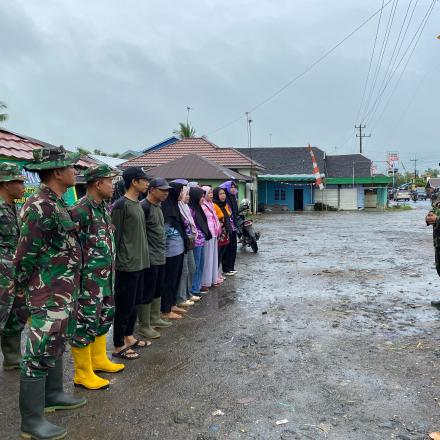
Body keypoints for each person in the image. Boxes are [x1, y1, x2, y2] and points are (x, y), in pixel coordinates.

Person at [14, 146, 87, 440]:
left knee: (55, 344)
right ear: (57, 172)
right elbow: (23, 257)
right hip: (47, 293)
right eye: (71, 167)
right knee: (37, 353)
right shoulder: (38, 206)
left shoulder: (56, 202)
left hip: (63, 290)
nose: (76, 172)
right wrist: (26, 293)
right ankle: (31, 422)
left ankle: (53, 395)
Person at [69, 165, 124, 390]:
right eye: (110, 182)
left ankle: (98, 360)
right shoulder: (80, 210)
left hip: (105, 278)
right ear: (98, 184)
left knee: (104, 317)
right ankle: (82, 373)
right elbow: (71, 249)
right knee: (84, 323)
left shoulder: (102, 207)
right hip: (87, 281)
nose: (113, 186)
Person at [111, 167, 150, 360]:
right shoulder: (121, 205)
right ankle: (118, 345)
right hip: (126, 265)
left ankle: (129, 337)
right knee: (124, 306)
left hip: (140, 262)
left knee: (134, 304)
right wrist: (116, 263)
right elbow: (115, 237)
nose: (147, 183)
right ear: (134, 182)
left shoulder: (138, 204)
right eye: (144, 180)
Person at [0, 163, 28, 371]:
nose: (22, 186)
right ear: (5, 184)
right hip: (2, 274)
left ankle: (12, 358)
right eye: (18, 182)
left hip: (14, 273)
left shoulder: (15, 208)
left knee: (16, 315)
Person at [138, 178, 173, 339]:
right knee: (148, 290)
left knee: (158, 287)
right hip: (149, 258)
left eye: (167, 190)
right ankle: (144, 326)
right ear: (151, 190)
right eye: (162, 190)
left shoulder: (158, 206)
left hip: (160, 255)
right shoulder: (143, 207)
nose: (166, 193)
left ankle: (155, 318)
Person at [160, 181, 187, 319]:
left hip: (178, 249)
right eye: (181, 190)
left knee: (176, 278)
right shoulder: (166, 208)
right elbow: (164, 232)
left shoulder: (175, 206)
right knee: (169, 281)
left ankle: (172, 304)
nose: (182, 193)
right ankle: (165, 309)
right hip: (170, 251)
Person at [176, 185, 199, 307]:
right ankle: (181, 297)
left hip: (190, 242)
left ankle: (188, 293)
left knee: (192, 267)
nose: (188, 197)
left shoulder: (186, 208)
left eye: (189, 194)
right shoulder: (178, 208)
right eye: (186, 194)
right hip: (182, 243)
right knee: (184, 271)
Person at [189, 187, 212, 295]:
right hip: (196, 242)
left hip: (201, 241)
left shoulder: (198, 208)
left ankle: (197, 287)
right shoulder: (191, 210)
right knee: (196, 266)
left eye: (203, 196)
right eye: (201, 197)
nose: (203, 199)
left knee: (200, 265)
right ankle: (194, 289)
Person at [201, 186, 221, 289]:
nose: (211, 195)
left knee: (213, 257)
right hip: (207, 234)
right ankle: (205, 282)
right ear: (203, 194)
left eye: (212, 193)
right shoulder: (202, 206)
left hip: (214, 233)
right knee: (207, 259)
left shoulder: (211, 205)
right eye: (209, 193)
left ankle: (213, 279)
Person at [219, 181, 239, 276]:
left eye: (234, 187)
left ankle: (231, 267)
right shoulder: (226, 199)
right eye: (231, 187)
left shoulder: (233, 197)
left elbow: (235, 212)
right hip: (228, 226)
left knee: (233, 247)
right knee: (228, 247)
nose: (233, 189)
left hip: (234, 226)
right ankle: (226, 268)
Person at [213, 187, 232, 282]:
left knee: (221, 254)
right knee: (217, 254)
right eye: (220, 194)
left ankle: (217, 273)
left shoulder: (224, 205)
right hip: (219, 234)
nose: (223, 195)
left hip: (226, 233)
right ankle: (214, 275)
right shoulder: (214, 205)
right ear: (216, 195)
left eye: (224, 193)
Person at [427, 189, 440, 308]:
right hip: (438, 241)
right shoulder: (439, 194)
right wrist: (429, 217)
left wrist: (437, 220)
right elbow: (434, 211)